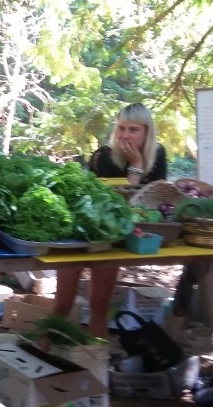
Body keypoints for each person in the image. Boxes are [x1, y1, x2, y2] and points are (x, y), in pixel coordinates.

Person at [52, 103, 167, 338]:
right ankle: (45, 349)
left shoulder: (158, 155)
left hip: (113, 236)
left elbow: (154, 201)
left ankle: (97, 356)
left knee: (101, 303)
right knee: (63, 303)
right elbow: (121, 202)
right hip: (80, 232)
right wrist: (136, 167)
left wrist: (139, 164)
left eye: (133, 129)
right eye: (121, 128)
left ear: (147, 132)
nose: (125, 135)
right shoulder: (102, 157)